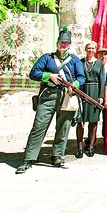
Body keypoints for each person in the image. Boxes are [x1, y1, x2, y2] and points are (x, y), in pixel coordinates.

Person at [16, 27, 86, 174]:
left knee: (63, 127)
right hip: (48, 96)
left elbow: (81, 77)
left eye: (66, 43)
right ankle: (29, 158)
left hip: (67, 96)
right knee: (39, 126)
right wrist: (49, 76)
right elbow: (34, 73)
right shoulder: (47, 58)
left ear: (69, 45)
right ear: (57, 43)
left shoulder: (74, 60)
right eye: (61, 42)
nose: (63, 45)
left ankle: (57, 155)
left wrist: (75, 85)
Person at [76, 41, 104, 159]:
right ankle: (79, 147)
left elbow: (102, 80)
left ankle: (91, 145)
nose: (91, 50)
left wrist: (101, 96)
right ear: (85, 49)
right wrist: (78, 95)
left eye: (93, 48)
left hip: (94, 91)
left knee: (93, 122)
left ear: (95, 50)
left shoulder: (99, 64)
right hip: (82, 91)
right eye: (89, 48)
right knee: (80, 121)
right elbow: (77, 76)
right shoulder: (80, 62)